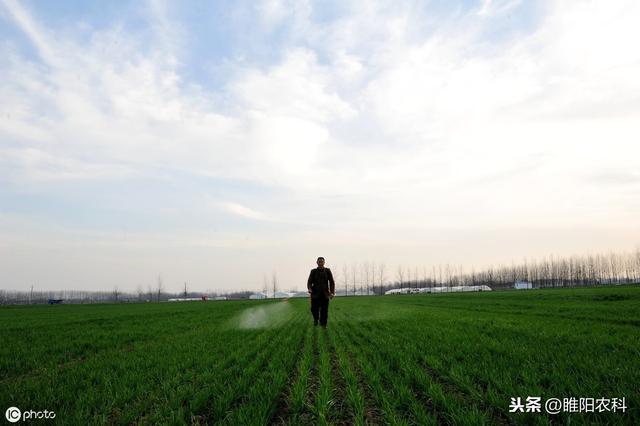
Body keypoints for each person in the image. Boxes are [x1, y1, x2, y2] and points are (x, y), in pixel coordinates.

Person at [307, 256, 335, 328]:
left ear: (324, 262)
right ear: (317, 263)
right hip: (315, 294)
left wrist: (332, 292)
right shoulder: (313, 271)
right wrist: (309, 288)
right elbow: (309, 282)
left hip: (325, 294)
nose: (321, 263)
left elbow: (332, 282)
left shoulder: (328, 271)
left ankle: (324, 324)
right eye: (319, 262)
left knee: (324, 310)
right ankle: (316, 319)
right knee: (314, 309)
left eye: (322, 261)